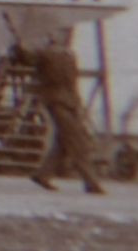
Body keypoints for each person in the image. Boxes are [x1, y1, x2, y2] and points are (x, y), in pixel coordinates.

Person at [17, 29, 105, 195]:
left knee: (64, 142)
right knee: (77, 142)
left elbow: (72, 82)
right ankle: (91, 182)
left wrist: (78, 104)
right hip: (57, 102)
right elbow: (27, 59)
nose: (65, 36)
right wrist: (19, 43)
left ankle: (42, 174)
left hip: (68, 102)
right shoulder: (47, 54)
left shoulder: (68, 55)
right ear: (53, 36)